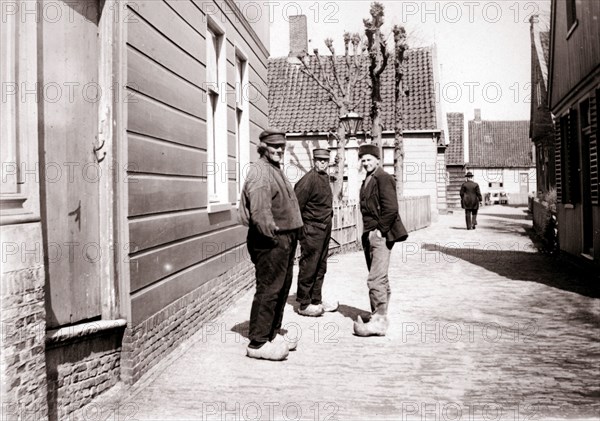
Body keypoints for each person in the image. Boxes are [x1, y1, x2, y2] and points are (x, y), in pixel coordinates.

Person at [238, 128, 303, 360]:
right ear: (263, 147)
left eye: (282, 147)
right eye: (275, 146)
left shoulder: (274, 169)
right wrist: (273, 238)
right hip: (270, 240)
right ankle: (258, 343)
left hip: (284, 239)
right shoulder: (260, 172)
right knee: (269, 289)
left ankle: (271, 334)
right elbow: (260, 212)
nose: (279, 150)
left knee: (282, 288)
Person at [353, 144, 408, 337]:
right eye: (363, 160)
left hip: (379, 235)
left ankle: (379, 320)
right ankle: (380, 314)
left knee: (375, 278)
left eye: (369, 159)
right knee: (380, 277)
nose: (366, 163)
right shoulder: (368, 179)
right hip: (369, 235)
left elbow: (391, 209)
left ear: (378, 160)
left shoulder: (383, 178)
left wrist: (379, 231)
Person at [294, 148, 339, 317]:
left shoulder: (324, 178)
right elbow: (295, 208)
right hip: (311, 229)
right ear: (314, 161)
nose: (322, 163)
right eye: (319, 160)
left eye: (325, 161)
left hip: (324, 228)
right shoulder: (308, 180)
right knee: (309, 265)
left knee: (321, 266)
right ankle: (304, 304)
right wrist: (301, 233)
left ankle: (316, 300)